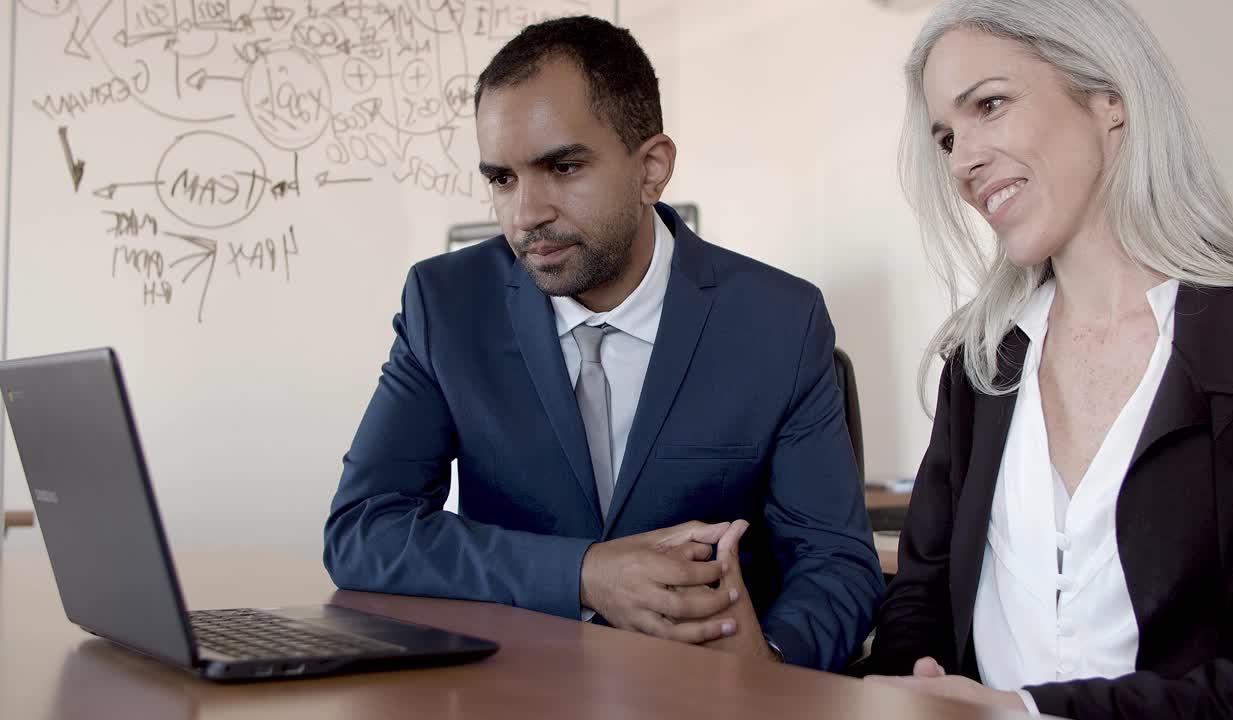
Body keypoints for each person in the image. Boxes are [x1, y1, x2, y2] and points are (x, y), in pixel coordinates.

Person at [323, 15, 882, 671]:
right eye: (502, 178)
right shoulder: (446, 304)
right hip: (519, 691)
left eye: (562, 167)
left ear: (651, 169)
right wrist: (584, 573)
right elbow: (364, 528)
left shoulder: (778, 319)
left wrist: (768, 663)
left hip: (706, 694)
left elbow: (837, 561)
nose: (526, 213)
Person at [860, 0, 1233, 716]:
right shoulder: (980, 364)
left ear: (1108, 101)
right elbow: (920, 597)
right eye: (945, 137)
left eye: (989, 104)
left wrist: (1023, 711)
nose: (962, 161)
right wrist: (911, 681)